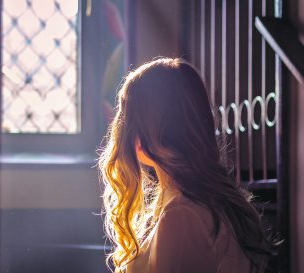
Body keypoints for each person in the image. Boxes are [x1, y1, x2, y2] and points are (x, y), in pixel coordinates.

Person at [98, 58, 273, 273]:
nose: (121, 125)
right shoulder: (180, 202)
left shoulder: (182, 216)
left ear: (157, 127)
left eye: (128, 112)